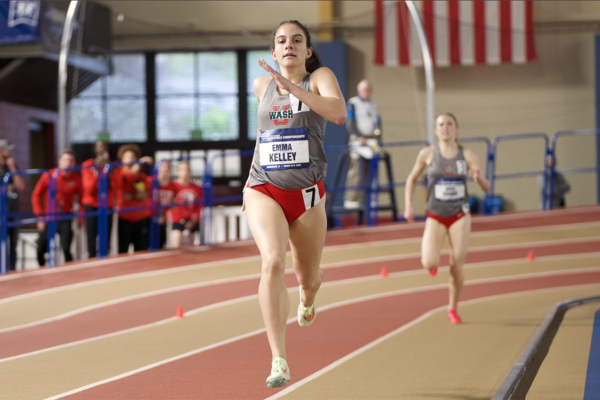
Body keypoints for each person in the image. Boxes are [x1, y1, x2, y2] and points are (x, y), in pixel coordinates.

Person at [243, 20, 346, 388]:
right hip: (264, 187)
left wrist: (292, 88)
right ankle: (279, 359)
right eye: (281, 41)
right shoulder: (261, 86)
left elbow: (338, 114)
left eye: (297, 40)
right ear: (273, 52)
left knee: (309, 277)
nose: (289, 45)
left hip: (306, 197)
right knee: (271, 260)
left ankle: (307, 298)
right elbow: (265, 136)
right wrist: (247, 183)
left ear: (308, 51)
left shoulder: (320, 78)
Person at [404, 113, 490, 324]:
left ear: (456, 129)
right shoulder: (427, 154)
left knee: (456, 266)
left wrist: (479, 179)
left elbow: (487, 188)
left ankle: (453, 307)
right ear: (436, 130)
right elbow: (412, 178)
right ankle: (432, 264)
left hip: (460, 214)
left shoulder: (467, 155)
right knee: (429, 261)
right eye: (441, 124)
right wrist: (408, 204)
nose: (445, 128)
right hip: (435, 214)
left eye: (449, 124)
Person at [32, 149, 83, 267]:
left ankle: (71, 272)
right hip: (49, 217)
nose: (68, 163)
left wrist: (81, 217)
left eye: (71, 160)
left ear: (74, 163)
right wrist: (39, 216)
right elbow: (36, 194)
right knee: (41, 249)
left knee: (66, 248)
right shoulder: (49, 175)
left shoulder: (75, 179)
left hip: (66, 217)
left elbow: (82, 199)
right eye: (65, 160)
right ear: (59, 161)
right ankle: (42, 269)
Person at [344, 79, 382, 209]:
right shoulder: (352, 103)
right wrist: (360, 137)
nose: (367, 92)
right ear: (359, 90)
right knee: (356, 170)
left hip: (372, 142)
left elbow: (378, 124)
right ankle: (352, 201)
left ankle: (369, 199)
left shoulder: (373, 105)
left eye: (369, 90)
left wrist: (378, 138)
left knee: (372, 170)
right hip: (358, 141)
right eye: (364, 90)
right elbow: (350, 123)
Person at [113, 144, 152, 254]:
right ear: (122, 159)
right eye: (127, 157)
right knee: (123, 252)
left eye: (133, 157)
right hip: (124, 218)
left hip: (140, 218)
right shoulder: (118, 175)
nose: (130, 160)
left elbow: (144, 196)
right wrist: (133, 174)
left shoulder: (141, 177)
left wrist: (134, 195)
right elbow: (122, 193)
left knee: (142, 251)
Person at [81, 140, 116, 257]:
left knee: (105, 236)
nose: (101, 149)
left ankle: (105, 258)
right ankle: (91, 258)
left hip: (107, 205)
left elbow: (116, 187)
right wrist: (96, 170)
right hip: (91, 204)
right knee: (91, 237)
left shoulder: (111, 166)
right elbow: (89, 188)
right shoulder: (87, 165)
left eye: (104, 146)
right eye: (98, 147)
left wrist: (108, 170)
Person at [0, 140, 25, 271]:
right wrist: (5, 188)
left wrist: (12, 168)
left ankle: (12, 270)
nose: (9, 152)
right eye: (7, 149)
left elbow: (20, 186)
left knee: (13, 245)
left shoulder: (11, 165)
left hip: (13, 211)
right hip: (0, 212)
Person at [169, 161, 202, 249]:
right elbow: (172, 205)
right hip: (178, 221)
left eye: (187, 170)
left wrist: (193, 219)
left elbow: (199, 206)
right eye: (183, 170)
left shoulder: (197, 188)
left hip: (193, 221)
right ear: (178, 172)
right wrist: (182, 218)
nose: (185, 172)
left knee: (191, 249)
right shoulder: (173, 186)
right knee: (176, 248)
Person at [156, 160, 178, 249]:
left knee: (162, 244)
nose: (165, 169)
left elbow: (174, 203)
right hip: (150, 218)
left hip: (164, 220)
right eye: (163, 166)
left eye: (168, 167)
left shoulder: (173, 185)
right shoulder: (151, 181)